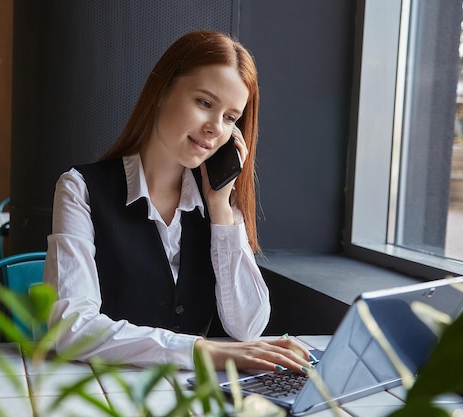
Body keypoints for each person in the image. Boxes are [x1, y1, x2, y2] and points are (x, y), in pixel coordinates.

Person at [43, 31, 313, 373]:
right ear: (162, 91)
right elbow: (71, 330)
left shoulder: (219, 203)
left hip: (188, 395)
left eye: (231, 117)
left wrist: (219, 208)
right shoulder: (80, 188)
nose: (216, 127)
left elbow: (248, 326)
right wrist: (204, 352)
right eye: (204, 103)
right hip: (104, 391)